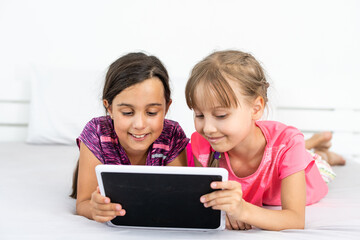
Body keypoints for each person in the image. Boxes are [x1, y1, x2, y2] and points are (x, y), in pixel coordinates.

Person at [184, 50, 340, 231]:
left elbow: (295, 220)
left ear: (256, 108)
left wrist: (243, 210)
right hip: (283, 151)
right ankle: (312, 143)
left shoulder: (287, 143)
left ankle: (321, 152)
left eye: (220, 115)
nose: (208, 128)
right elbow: (204, 201)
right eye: (199, 115)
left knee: (315, 161)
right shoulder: (203, 145)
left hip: (310, 174)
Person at [70, 52, 189, 222]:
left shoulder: (172, 135)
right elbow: (83, 204)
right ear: (109, 108)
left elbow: (181, 198)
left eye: (152, 112)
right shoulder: (97, 132)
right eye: (127, 112)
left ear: (166, 107)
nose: (139, 124)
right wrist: (95, 209)